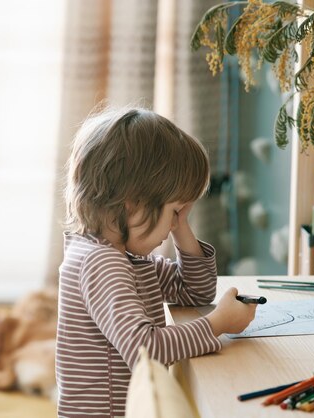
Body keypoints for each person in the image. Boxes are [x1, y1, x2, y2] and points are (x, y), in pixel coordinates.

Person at [56, 107, 257, 417]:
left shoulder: (126, 257)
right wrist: (219, 323)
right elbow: (146, 351)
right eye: (175, 210)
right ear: (133, 203)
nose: (175, 222)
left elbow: (195, 292)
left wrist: (181, 227)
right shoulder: (101, 264)